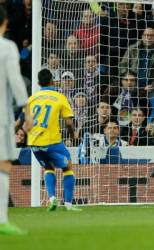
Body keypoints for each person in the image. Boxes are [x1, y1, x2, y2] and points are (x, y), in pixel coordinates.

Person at [27, 69, 81, 212]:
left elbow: (24, 121)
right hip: (51, 141)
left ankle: (51, 199)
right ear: (52, 81)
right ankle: (68, 205)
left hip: (33, 142)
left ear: (38, 83)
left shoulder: (32, 98)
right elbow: (69, 123)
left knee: (48, 168)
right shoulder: (59, 97)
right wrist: (72, 135)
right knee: (67, 167)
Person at [0, 6, 32, 235]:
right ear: (5, 23)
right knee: (2, 165)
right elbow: (16, 81)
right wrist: (27, 110)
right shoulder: (7, 47)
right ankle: (1, 220)